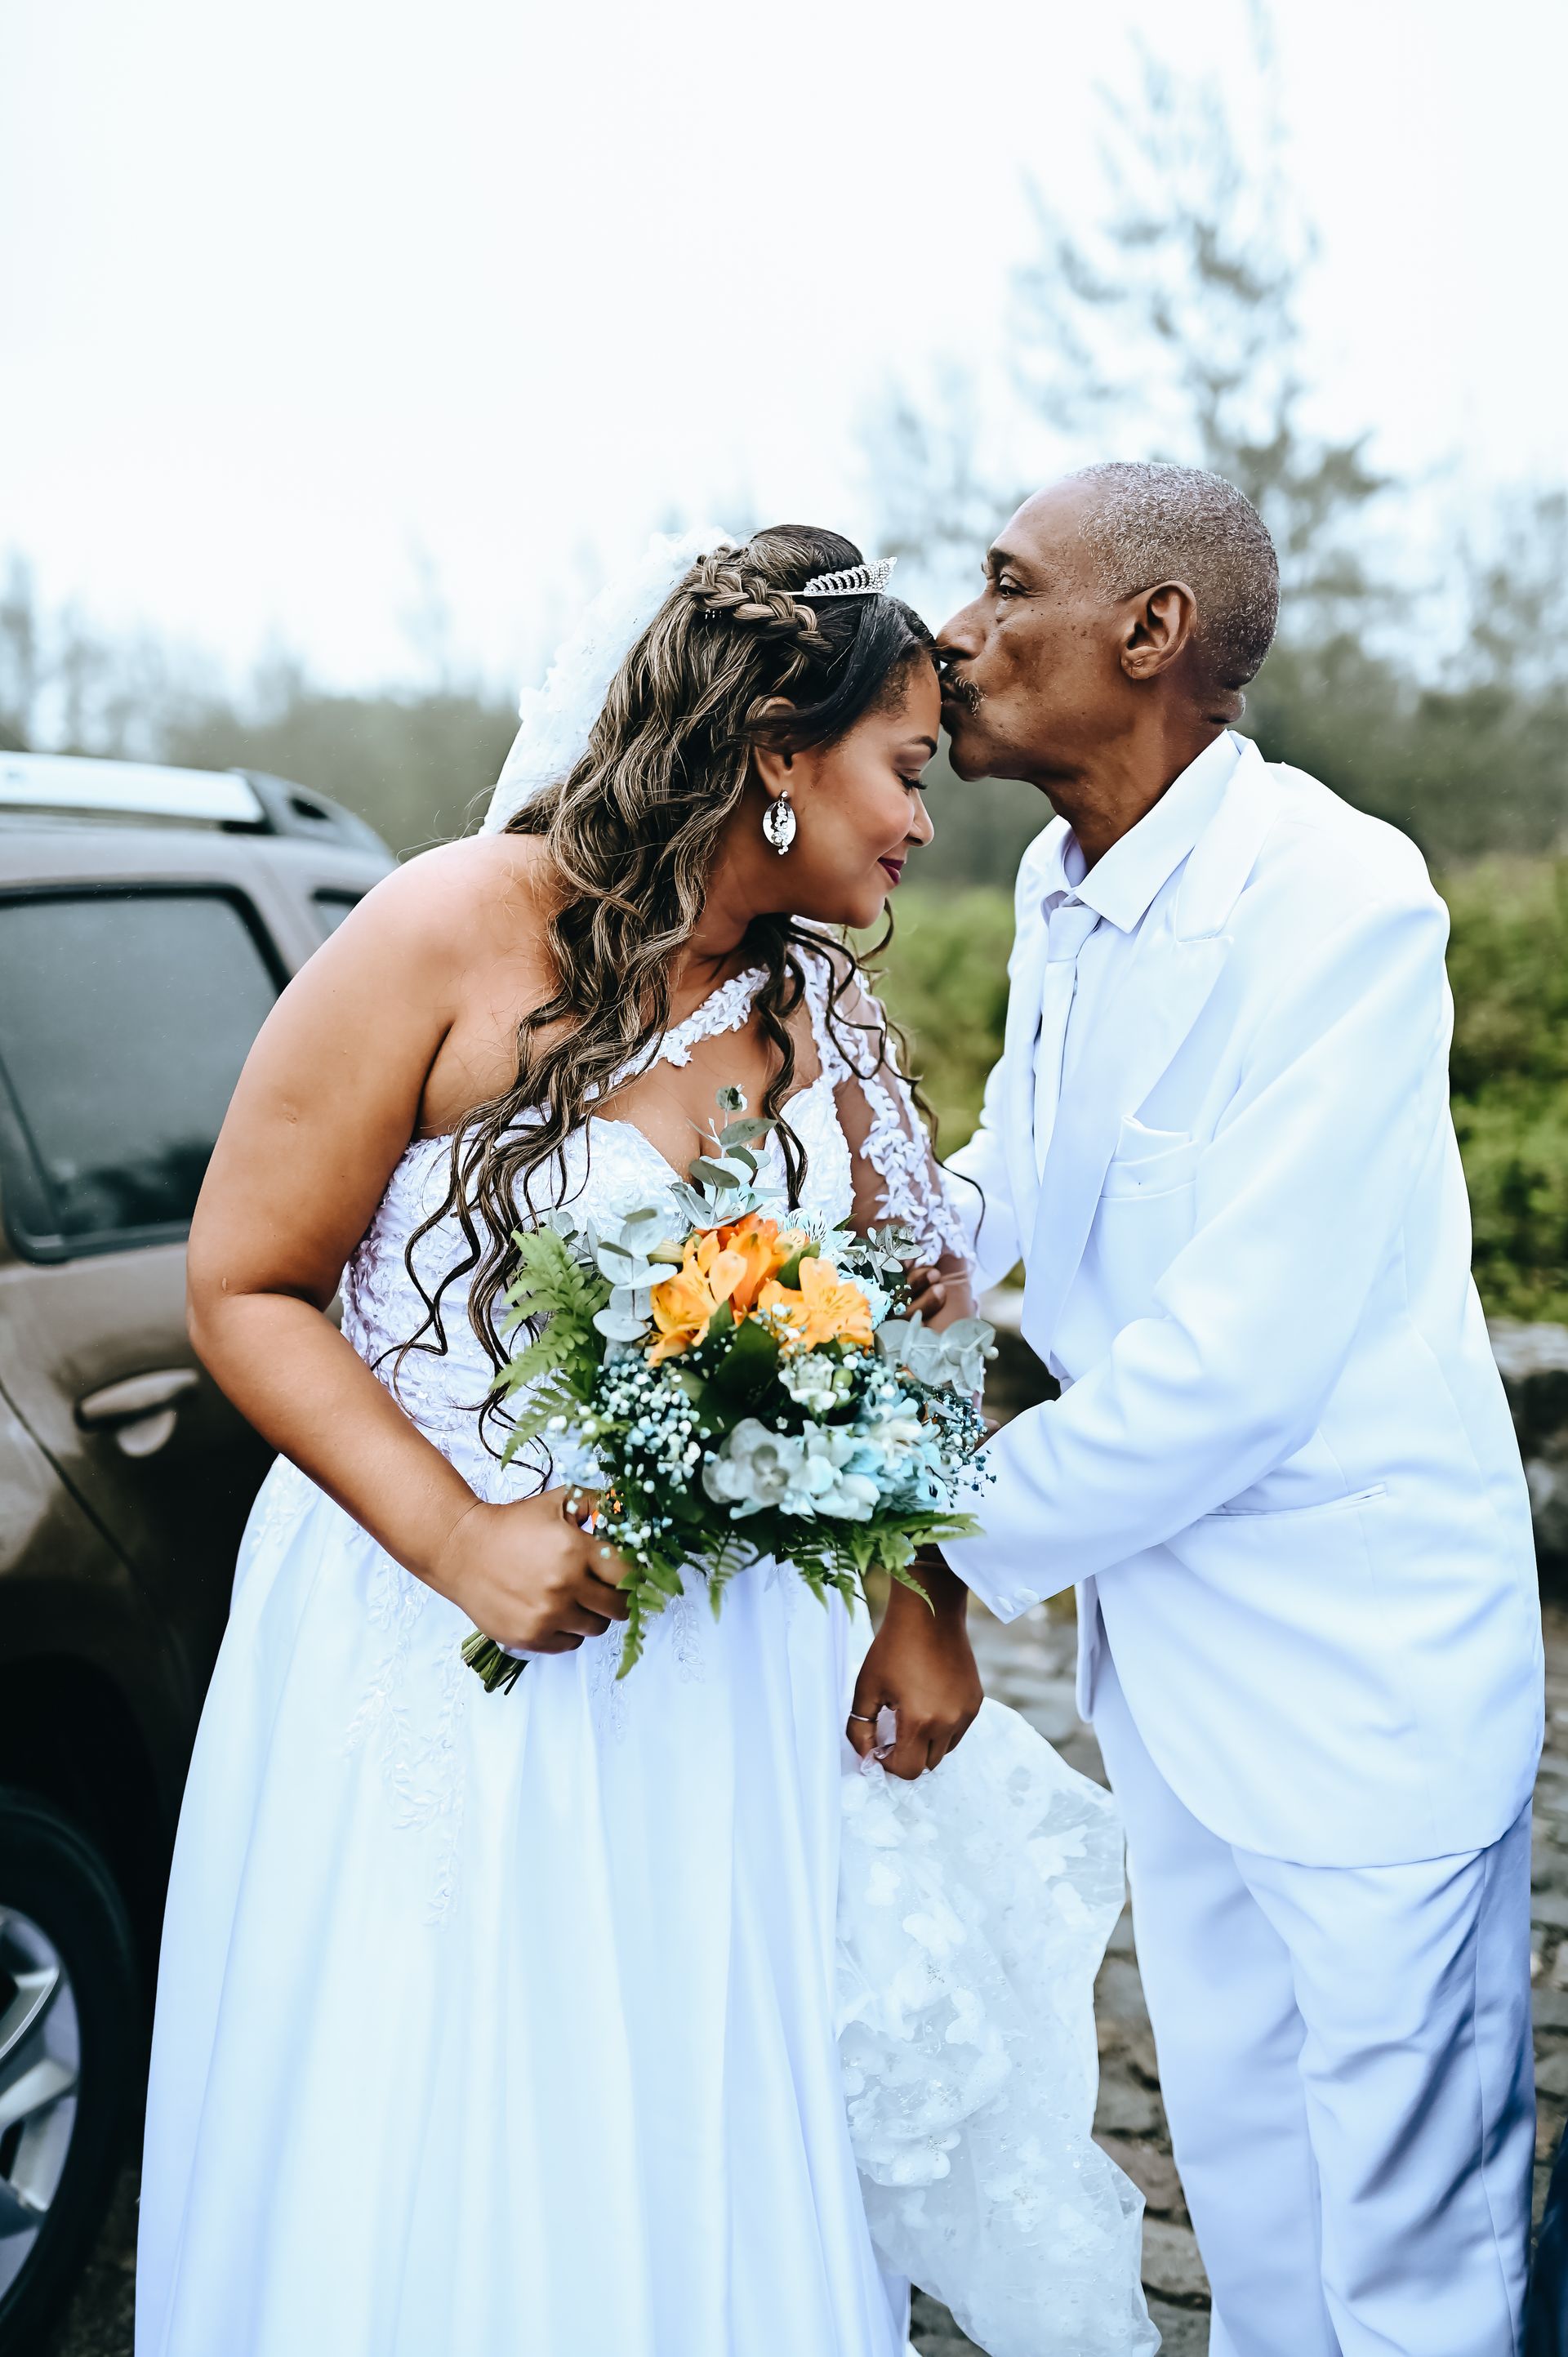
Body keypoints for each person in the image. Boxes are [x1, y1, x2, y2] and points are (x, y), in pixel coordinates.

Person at [134, 526, 1150, 2357]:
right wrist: (461, 1540)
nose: (927, 826)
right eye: (905, 772)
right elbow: (244, 1284)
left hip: (725, 1692)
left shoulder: (817, 1010)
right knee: (458, 2107)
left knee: (699, 2115)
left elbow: (898, 1326)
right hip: (432, 1648)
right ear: (777, 747)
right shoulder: (452, 922)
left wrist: (917, 1592)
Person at [924, 461, 1545, 2356]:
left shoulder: (1346, 898)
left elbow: (1235, 1366)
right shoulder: (1055, 879)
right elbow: (1012, 1179)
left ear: (1153, 629)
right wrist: (804, 1268)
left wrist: (904, 1527)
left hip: (1360, 1666)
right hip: (1174, 1669)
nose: (957, 631)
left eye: (1009, 585)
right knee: (1252, 2189)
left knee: (1414, 2246)